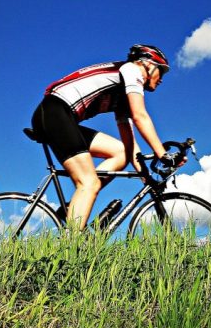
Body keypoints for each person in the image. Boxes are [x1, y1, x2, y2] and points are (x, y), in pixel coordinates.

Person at [30, 44, 183, 230]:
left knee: (120, 152)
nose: (161, 79)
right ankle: (71, 247)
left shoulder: (123, 95)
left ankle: (74, 205)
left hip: (59, 116)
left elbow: (129, 143)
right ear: (148, 65)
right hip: (54, 112)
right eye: (162, 72)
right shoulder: (132, 69)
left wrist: (144, 172)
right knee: (88, 182)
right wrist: (162, 154)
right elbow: (140, 115)